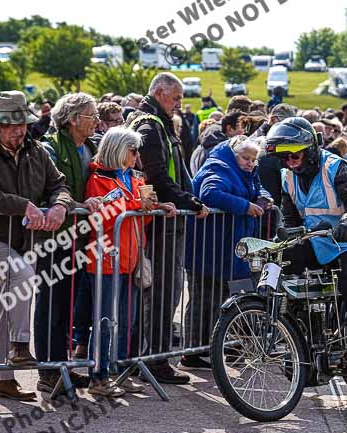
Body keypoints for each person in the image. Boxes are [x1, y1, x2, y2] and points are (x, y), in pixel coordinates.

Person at [0, 91, 74, 402]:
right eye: (12, 125)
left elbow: (59, 184)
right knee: (21, 275)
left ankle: (2, 379)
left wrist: (60, 206)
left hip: (25, 241)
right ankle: (21, 346)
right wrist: (23, 205)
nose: (19, 130)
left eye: (23, 123)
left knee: (7, 303)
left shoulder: (36, 151)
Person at [264, 117, 347, 386]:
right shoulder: (287, 177)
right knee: (288, 277)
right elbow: (291, 219)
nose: (291, 161)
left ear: (310, 149)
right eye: (284, 157)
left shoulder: (335, 167)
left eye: (295, 154)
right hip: (317, 240)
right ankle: (302, 354)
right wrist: (284, 236)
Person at [126, 73, 209, 385]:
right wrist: (190, 201)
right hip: (161, 223)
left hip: (161, 219)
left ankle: (142, 358)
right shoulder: (149, 125)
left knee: (157, 291)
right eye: (176, 98)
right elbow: (157, 175)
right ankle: (155, 360)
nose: (179, 104)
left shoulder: (150, 121)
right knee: (163, 291)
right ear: (159, 93)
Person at [83, 127, 177, 395]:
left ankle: (117, 373)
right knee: (104, 321)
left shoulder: (135, 179)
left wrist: (156, 207)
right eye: (133, 151)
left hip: (130, 258)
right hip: (105, 260)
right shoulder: (98, 178)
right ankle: (97, 377)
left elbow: (139, 217)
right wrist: (140, 206)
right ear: (118, 150)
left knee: (126, 321)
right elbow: (107, 215)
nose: (137, 156)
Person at [184, 136, 272, 366]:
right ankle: (194, 351)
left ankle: (231, 347)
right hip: (211, 250)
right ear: (234, 155)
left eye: (253, 160)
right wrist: (245, 206)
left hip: (231, 250)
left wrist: (264, 198)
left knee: (236, 298)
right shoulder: (218, 167)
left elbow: (257, 187)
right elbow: (210, 193)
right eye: (246, 158)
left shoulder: (243, 170)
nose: (250, 163)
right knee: (205, 301)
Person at [36, 93, 103, 395]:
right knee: (52, 304)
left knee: (70, 306)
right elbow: (47, 191)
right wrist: (77, 205)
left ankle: (62, 366)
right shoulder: (49, 148)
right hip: (53, 237)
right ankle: (48, 372)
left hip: (81, 236)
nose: (96, 121)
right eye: (91, 115)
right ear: (74, 119)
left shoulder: (90, 147)